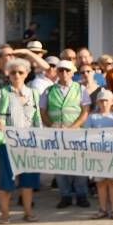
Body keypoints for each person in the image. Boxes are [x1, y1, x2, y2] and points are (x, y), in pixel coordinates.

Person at [0, 60, 41, 224]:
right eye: (13, 72)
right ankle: (5, 214)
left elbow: (37, 119)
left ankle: (28, 212)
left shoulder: (33, 93)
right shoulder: (2, 93)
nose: (17, 75)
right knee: (6, 180)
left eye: (20, 72)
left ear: (27, 74)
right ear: (8, 74)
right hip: (7, 142)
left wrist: (39, 140)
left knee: (28, 180)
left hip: (28, 142)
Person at [41, 60, 90, 209]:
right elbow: (43, 112)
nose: (64, 73)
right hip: (56, 133)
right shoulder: (48, 90)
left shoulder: (81, 89)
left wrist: (74, 127)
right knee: (60, 165)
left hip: (76, 133)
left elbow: (85, 111)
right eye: (61, 70)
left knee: (79, 164)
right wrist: (51, 125)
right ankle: (65, 195)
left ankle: (81, 195)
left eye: (67, 70)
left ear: (72, 72)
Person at [83, 89, 113, 219]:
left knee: (112, 182)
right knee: (100, 183)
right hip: (97, 154)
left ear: (112, 102)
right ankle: (103, 209)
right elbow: (86, 134)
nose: (104, 103)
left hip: (112, 155)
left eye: (106, 100)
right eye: (101, 101)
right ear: (98, 102)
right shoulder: (92, 117)